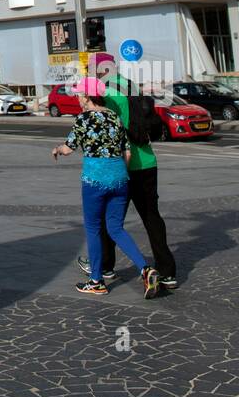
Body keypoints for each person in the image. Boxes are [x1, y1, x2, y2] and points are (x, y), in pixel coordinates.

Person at [52, 77, 159, 299]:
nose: (78, 99)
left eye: (80, 94)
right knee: (116, 228)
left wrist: (57, 150)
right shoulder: (114, 117)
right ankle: (145, 269)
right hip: (120, 178)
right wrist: (118, 173)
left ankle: (97, 281)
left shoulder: (84, 119)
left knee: (93, 228)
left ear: (88, 96)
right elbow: (127, 152)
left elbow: (69, 148)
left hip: (95, 179)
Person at [78, 57, 177, 291]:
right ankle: (167, 271)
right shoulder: (132, 85)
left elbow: (104, 130)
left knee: (107, 218)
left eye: (92, 69)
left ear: (102, 70)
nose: (92, 73)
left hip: (120, 165)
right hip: (147, 162)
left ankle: (104, 267)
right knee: (152, 217)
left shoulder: (108, 94)